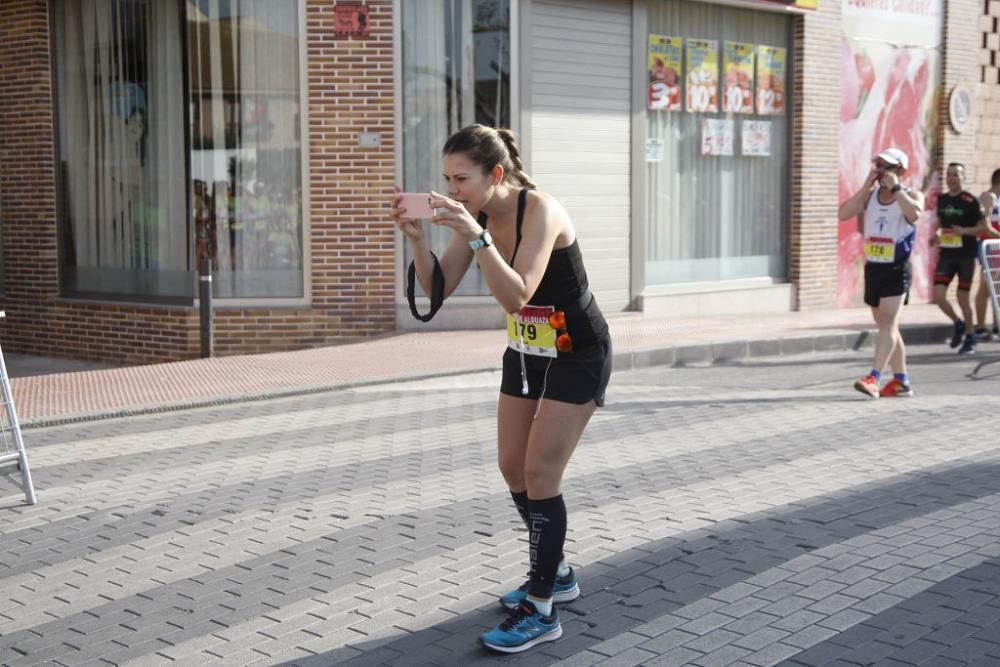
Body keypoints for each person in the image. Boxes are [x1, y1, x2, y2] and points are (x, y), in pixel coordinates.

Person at [391, 124, 612, 653]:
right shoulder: (480, 215)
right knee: (512, 465)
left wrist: (476, 235)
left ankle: (541, 609)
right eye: (446, 179)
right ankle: (555, 571)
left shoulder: (542, 211)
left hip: (577, 351)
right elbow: (435, 290)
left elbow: (516, 296)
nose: (453, 189)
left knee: (541, 472)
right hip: (528, 350)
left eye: (461, 178)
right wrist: (419, 240)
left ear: (495, 173)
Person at [838, 147, 924, 398]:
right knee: (887, 326)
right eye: (879, 165)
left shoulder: (911, 194)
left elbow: (915, 214)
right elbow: (844, 213)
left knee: (886, 323)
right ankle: (901, 381)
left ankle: (874, 378)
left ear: (899, 171)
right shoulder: (871, 196)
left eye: (887, 166)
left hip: (896, 268)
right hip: (874, 267)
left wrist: (897, 189)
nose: (881, 171)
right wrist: (866, 185)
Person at [931, 163, 995, 355]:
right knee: (939, 296)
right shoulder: (942, 200)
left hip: (966, 256)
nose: (952, 178)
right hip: (947, 255)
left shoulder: (970, 201)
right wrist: (935, 235)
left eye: (956, 175)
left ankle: (970, 337)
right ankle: (958, 323)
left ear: (963, 178)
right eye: (949, 175)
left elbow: (984, 227)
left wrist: (965, 231)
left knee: (962, 298)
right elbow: (939, 222)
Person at [974, 168, 1000, 341]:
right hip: (989, 248)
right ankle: (981, 327)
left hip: (996, 248)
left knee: (996, 287)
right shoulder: (989, 197)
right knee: (986, 287)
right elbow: (986, 225)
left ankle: (996, 326)